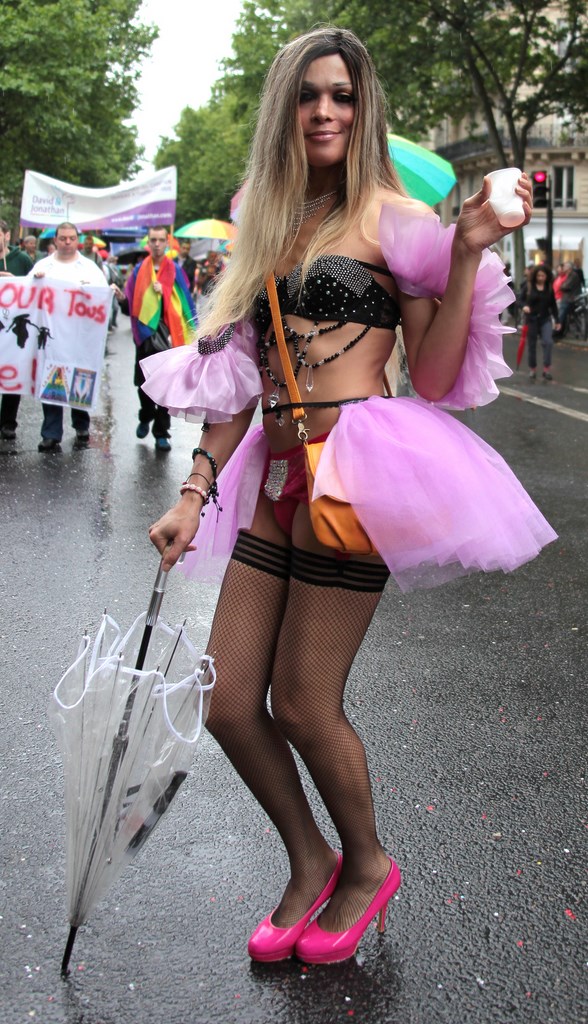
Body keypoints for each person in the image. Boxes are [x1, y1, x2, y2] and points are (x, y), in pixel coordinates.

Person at [141, 27, 556, 965]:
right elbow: (239, 377)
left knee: (301, 701)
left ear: (363, 109)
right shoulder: (266, 216)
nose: (325, 111)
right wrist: (195, 491)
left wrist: (464, 254)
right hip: (273, 474)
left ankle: (366, 864)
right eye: (308, 95)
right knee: (226, 699)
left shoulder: (398, 220)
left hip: (357, 475)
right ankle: (309, 858)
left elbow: (437, 378)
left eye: (342, 95)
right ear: (283, 108)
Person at [113, 225, 197, 452]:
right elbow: (130, 305)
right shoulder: (139, 270)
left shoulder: (175, 270)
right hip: (145, 336)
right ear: (148, 243)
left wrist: (166, 292)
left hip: (169, 337)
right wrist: (121, 298)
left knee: (166, 387)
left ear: (167, 242)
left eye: (161, 240)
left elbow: (186, 303)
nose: (157, 244)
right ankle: (145, 415)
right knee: (143, 384)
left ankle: (161, 433)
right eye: (153, 240)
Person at [31, 221, 110, 452]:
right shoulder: (43, 266)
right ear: (55, 240)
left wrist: (95, 291)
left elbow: (103, 297)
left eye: (71, 238)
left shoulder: (89, 269)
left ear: (77, 240)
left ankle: (81, 426)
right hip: (52, 338)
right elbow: (28, 297)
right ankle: (51, 433)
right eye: (63, 238)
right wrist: (36, 281)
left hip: (79, 337)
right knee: (51, 381)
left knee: (80, 378)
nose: (67, 242)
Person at [0, 220, 34, 439]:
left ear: (6, 235)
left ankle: (7, 422)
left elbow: (36, 287)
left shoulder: (21, 260)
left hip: (12, 328)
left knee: (11, 371)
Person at [522, 265, 560, 380]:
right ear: (535, 276)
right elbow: (519, 299)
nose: (541, 278)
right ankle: (532, 369)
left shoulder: (549, 288)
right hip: (532, 319)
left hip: (545, 319)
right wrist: (524, 306)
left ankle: (546, 369)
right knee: (532, 344)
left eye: (543, 276)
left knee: (548, 342)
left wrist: (557, 320)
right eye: (539, 276)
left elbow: (553, 305)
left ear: (547, 276)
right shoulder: (529, 287)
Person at [556, 260, 582, 337]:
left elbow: (565, 286)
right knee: (561, 313)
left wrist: (561, 286)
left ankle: (557, 330)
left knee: (561, 314)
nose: (563, 268)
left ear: (568, 268)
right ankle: (560, 330)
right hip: (567, 298)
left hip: (570, 299)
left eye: (564, 266)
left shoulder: (573, 275)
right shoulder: (569, 275)